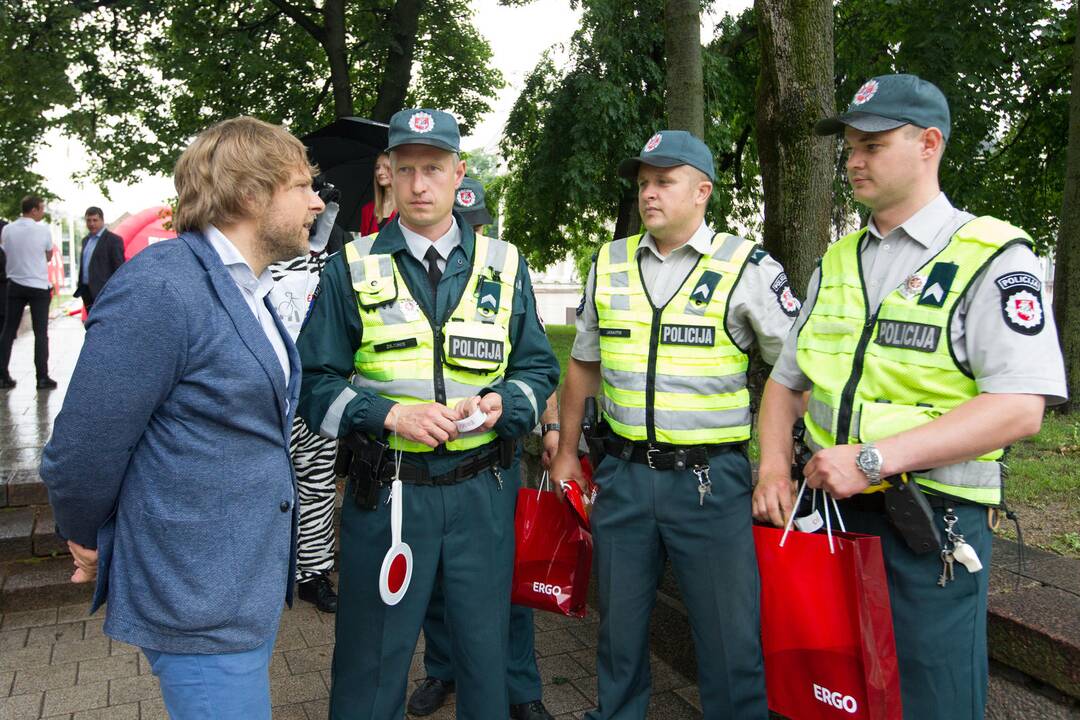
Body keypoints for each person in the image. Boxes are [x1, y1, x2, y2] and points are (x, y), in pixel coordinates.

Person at [753, 74, 1068, 720]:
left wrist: (872, 459)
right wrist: (771, 468)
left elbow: (1019, 407)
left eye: (871, 144)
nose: (854, 160)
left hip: (930, 530)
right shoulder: (836, 262)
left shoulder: (991, 255)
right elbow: (787, 381)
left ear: (929, 144)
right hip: (830, 525)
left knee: (929, 704)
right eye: (848, 147)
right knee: (829, 697)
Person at [40, 116, 324, 720]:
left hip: (243, 584)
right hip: (196, 595)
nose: (317, 201)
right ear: (250, 194)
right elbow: (83, 447)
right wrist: (87, 536)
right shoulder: (162, 288)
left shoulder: (250, 286)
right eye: (302, 186)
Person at [297, 107, 559, 720]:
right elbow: (311, 384)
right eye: (406, 169)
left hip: (484, 491)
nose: (420, 184)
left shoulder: (504, 263)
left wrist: (503, 404)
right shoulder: (352, 265)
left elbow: (538, 369)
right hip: (387, 493)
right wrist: (389, 415)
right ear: (386, 172)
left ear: (457, 171)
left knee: (485, 653)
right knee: (371, 658)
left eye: (434, 169)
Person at [551, 130, 798, 719]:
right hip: (625, 477)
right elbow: (584, 362)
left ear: (702, 191)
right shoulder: (609, 263)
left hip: (710, 481)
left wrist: (781, 462)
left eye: (664, 181)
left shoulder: (746, 266)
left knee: (728, 634)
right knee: (619, 627)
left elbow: (796, 371)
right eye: (642, 184)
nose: (649, 194)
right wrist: (566, 450)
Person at [406, 175, 553, 720]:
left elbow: (537, 363)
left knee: (504, 586)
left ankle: (520, 686)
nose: (466, 230)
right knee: (438, 587)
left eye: (474, 222)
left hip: (493, 463)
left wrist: (548, 426)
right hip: (424, 468)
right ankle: (442, 669)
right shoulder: (414, 271)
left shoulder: (505, 270)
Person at [268, 178, 343, 614]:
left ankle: (314, 572)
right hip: (269, 400)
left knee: (316, 485)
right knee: (268, 488)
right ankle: (272, 569)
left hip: (317, 396)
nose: (316, 209)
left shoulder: (330, 267)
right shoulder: (253, 267)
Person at [0, 195, 56, 389]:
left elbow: (6, 250)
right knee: (41, 333)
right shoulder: (43, 231)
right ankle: (42, 377)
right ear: (33, 210)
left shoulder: (7, 229)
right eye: (41, 208)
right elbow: (48, 255)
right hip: (38, 286)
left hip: (14, 284)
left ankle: (2, 375)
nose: (42, 212)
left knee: (8, 331)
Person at [74, 206, 126, 312]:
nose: (92, 224)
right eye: (88, 220)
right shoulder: (85, 240)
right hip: (86, 291)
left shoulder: (113, 240)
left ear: (102, 220)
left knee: (104, 325)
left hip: (104, 292)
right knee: (91, 325)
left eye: (95, 220)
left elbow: (119, 268)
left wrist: (115, 292)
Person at [359, 151, 397, 235]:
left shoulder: (406, 209)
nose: (380, 172)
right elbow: (364, 245)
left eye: (386, 167)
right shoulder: (367, 210)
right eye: (377, 167)